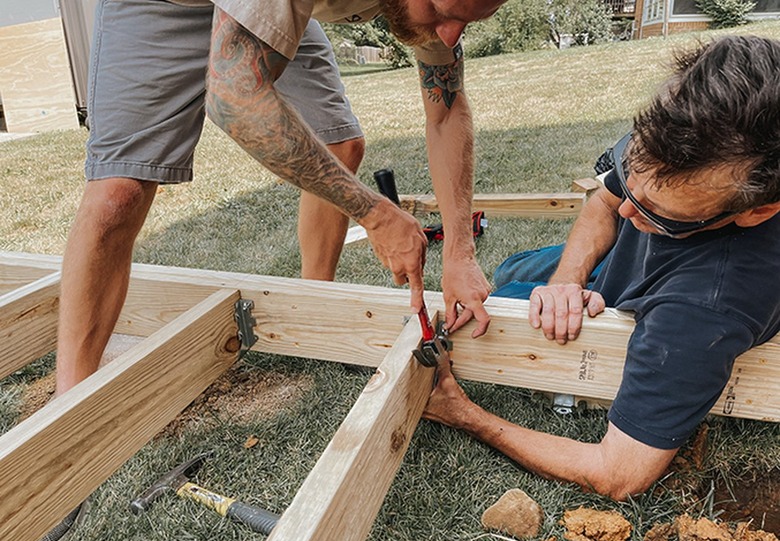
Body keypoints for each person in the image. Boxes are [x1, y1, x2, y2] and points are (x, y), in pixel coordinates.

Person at [55, 0, 507, 400]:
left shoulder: (447, 15)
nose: (449, 34)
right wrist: (375, 213)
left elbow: (445, 109)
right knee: (118, 194)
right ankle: (66, 410)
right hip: (165, 3)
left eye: (466, 21)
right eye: (442, 12)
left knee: (339, 144)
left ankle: (313, 308)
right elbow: (234, 97)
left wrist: (460, 251)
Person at [423, 35, 780, 501]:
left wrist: (463, 413)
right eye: (632, 182)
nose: (628, 212)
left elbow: (616, 473)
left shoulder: (705, 310)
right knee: (514, 270)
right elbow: (604, 204)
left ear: (756, 211)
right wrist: (567, 282)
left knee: (501, 310)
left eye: (658, 213)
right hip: (620, 268)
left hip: (669, 300)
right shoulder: (690, 124)